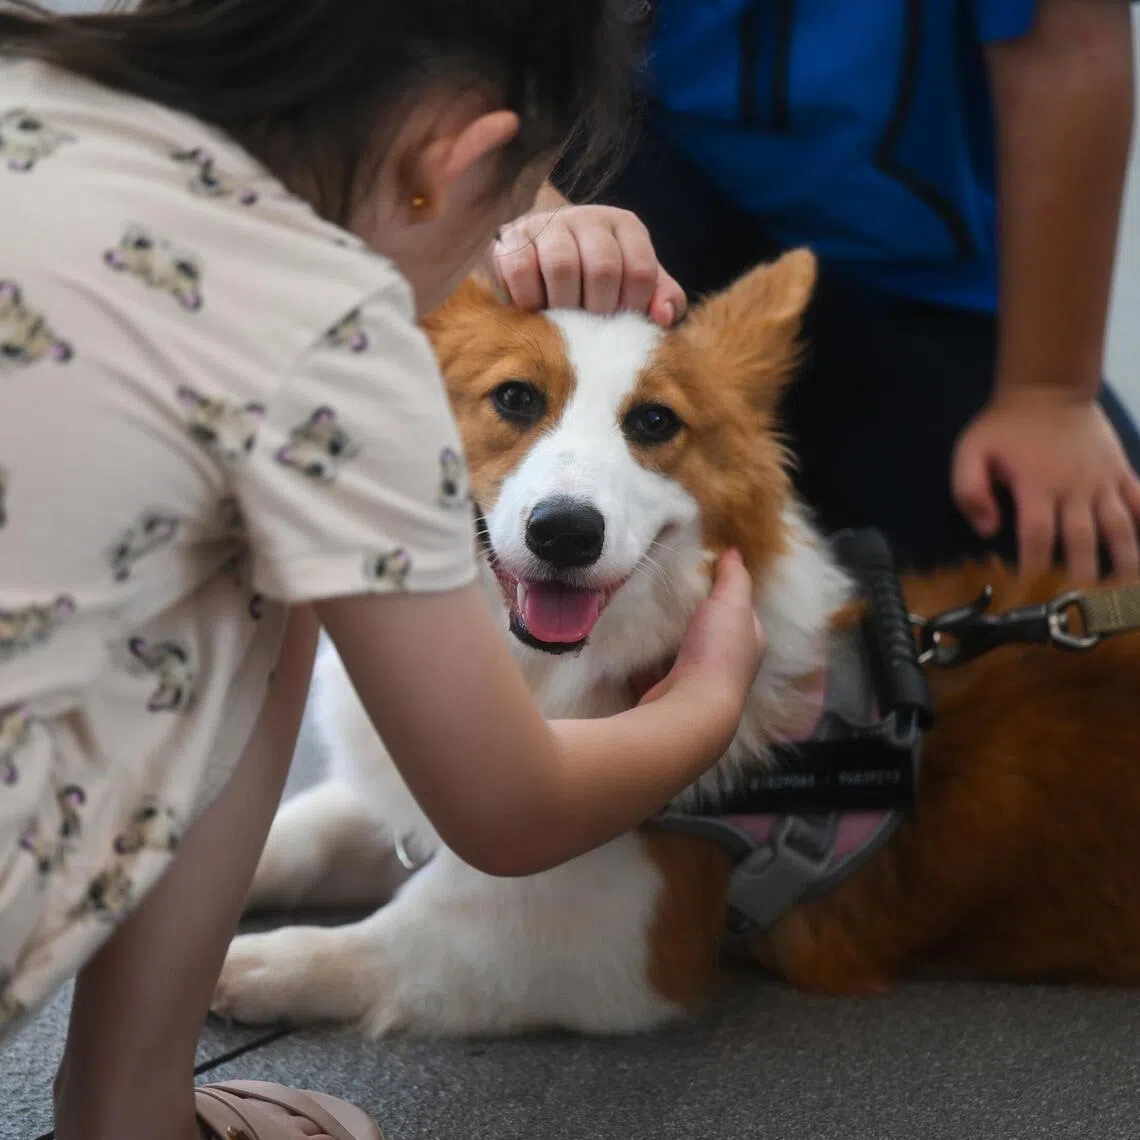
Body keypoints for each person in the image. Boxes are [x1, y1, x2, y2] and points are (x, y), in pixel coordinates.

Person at [0, 2, 767, 1138]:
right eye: (511, 209)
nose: (497, 259)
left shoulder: (28, 84)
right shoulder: (332, 334)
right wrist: (710, 697)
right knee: (273, 554)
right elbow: (508, 813)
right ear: (450, 158)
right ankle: (133, 1107)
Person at [494, 0, 1140, 584]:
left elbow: (1069, 53)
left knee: (1089, 570)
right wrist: (533, 209)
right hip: (618, 196)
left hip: (911, 271)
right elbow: (447, 45)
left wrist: (1050, 392)